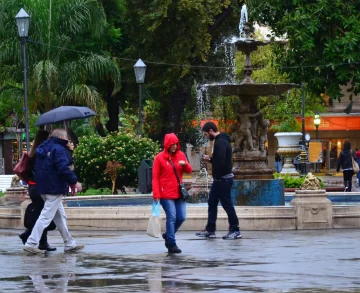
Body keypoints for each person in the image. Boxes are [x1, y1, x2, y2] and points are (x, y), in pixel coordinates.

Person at [23, 129, 84, 255]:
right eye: (66, 137)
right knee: (45, 216)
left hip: (43, 187)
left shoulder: (42, 148)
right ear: (61, 136)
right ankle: (31, 243)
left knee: (60, 216)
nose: (68, 139)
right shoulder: (59, 149)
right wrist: (75, 182)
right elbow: (63, 169)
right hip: (54, 188)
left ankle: (69, 243)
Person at [196, 122, 241, 240]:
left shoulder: (220, 142)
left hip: (223, 179)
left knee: (227, 204)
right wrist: (210, 159)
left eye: (206, 134)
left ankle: (235, 230)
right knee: (212, 202)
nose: (206, 137)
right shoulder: (222, 140)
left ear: (211, 131)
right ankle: (210, 230)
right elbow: (220, 160)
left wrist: (213, 162)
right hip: (220, 179)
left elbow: (221, 162)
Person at [152, 133, 192, 253]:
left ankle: (169, 234)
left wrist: (185, 164)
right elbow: (155, 177)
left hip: (179, 192)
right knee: (172, 217)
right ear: (167, 145)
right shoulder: (159, 158)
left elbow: (189, 171)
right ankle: (171, 243)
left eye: (176, 144)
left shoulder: (181, 155)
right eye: (172, 144)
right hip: (166, 193)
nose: (174, 146)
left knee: (181, 217)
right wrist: (156, 194)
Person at [18, 130, 57, 251]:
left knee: (42, 214)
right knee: (43, 216)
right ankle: (31, 236)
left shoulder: (32, 154)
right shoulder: (41, 154)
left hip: (33, 187)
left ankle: (42, 242)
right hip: (41, 187)